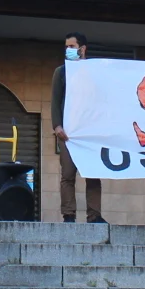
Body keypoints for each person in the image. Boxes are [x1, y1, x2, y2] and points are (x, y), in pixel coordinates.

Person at [50, 31, 104, 224]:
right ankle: (69, 215)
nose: (68, 50)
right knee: (67, 175)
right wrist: (57, 125)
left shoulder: (94, 71)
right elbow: (55, 101)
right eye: (66, 46)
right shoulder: (61, 72)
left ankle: (94, 216)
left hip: (90, 133)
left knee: (93, 175)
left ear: (82, 48)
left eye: (72, 46)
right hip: (68, 133)